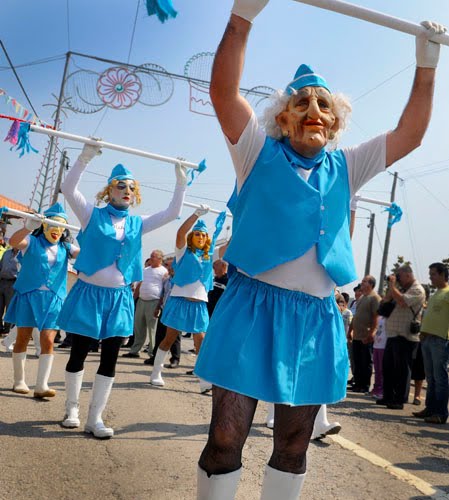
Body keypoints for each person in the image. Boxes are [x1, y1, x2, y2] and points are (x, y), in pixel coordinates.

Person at [193, 1, 445, 496]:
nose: (314, 111)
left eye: (324, 105)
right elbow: (223, 93)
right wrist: (242, 18)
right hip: (251, 308)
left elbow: (411, 135)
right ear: (282, 117)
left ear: (335, 123)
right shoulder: (254, 151)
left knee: (294, 444)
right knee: (225, 439)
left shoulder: (347, 165)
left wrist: (427, 66)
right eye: (302, 102)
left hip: (314, 318)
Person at [58, 142, 187, 438]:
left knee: (110, 357)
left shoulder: (138, 223)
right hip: (89, 294)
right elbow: (68, 188)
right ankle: (72, 410)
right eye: (120, 186)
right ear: (109, 191)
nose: (126, 190)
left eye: (131, 187)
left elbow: (173, 212)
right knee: (79, 352)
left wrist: (181, 182)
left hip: (119, 298)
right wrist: (85, 157)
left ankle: (95, 418)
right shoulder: (90, 214)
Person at [4, 203, 79, 397]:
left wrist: (91, 235)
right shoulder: (32, 241)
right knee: (23, 337)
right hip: (28, 295)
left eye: (60, 226)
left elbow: (87, 256)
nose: (56, 230)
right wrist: (28, 227)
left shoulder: (66, 247)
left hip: (53, 299)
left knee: (48, 340)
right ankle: (19, 381)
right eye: (53, 224)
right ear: (44, 225)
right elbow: (14, 242)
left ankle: (41, 386)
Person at [150, 206, 222, 393]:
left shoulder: (209, 255)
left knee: (201, 342)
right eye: (197, 234)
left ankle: (204, 381)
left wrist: (241, 218)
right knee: (169, 339)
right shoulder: (183, 253)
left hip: (199, 305)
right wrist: (196, 215)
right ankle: (156, 372)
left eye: (203, 235)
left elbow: (227, 247)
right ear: (192, 237)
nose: (201, 237)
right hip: (179, 302)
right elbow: (180, 233)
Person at [376, 265, 425, 410]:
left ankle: (399, 399)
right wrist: (392, 288)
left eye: (399, 276)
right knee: (388, 368)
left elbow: (403, 302)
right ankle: (388, 396)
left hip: (406, 336)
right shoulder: (399, 289)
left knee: (402, 370)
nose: (398, 279)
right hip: (393, 334)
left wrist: (392, 286)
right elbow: (384, 304)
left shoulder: (417, 289)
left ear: (408, 275)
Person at [413, 263, 449, 425]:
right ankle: (430, 408)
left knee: (440, 378)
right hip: (427, 339)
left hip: (440, 340)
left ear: (442, 275)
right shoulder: (436, 294)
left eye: (433, 274)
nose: (430, 277)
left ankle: (440, 413)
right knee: (431, 378)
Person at [123, 250, 167, 359]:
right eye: (151, 256)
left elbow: (165, 289)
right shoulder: (146, 270)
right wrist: (134, 299)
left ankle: (152, 352)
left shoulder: (163, 271)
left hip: (154, 301)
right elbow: (139, 284)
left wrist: (160, 304)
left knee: (152, 328)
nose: (151, 258)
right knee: (138, 327)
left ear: (160, 259)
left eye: (153, 256)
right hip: (141, 300)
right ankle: (135, 350)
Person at [350, 275, 381, 393]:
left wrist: (372, 332)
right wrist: (350, 331)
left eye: (364, 281)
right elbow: (356, 316)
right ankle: (357, 383)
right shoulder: (362, 297)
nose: (362, 283)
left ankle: (364, 385)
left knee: (366, 361)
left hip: (366, 336)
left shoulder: (375, 298)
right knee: (357, 361)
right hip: (357, 335)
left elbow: (376, 317)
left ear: (371, 284)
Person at [0, 246, 20, 334]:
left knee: (10, 307)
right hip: (2, 281)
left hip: (13, 283)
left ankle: (8, 328)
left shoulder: (23, 254)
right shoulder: (6, 253)